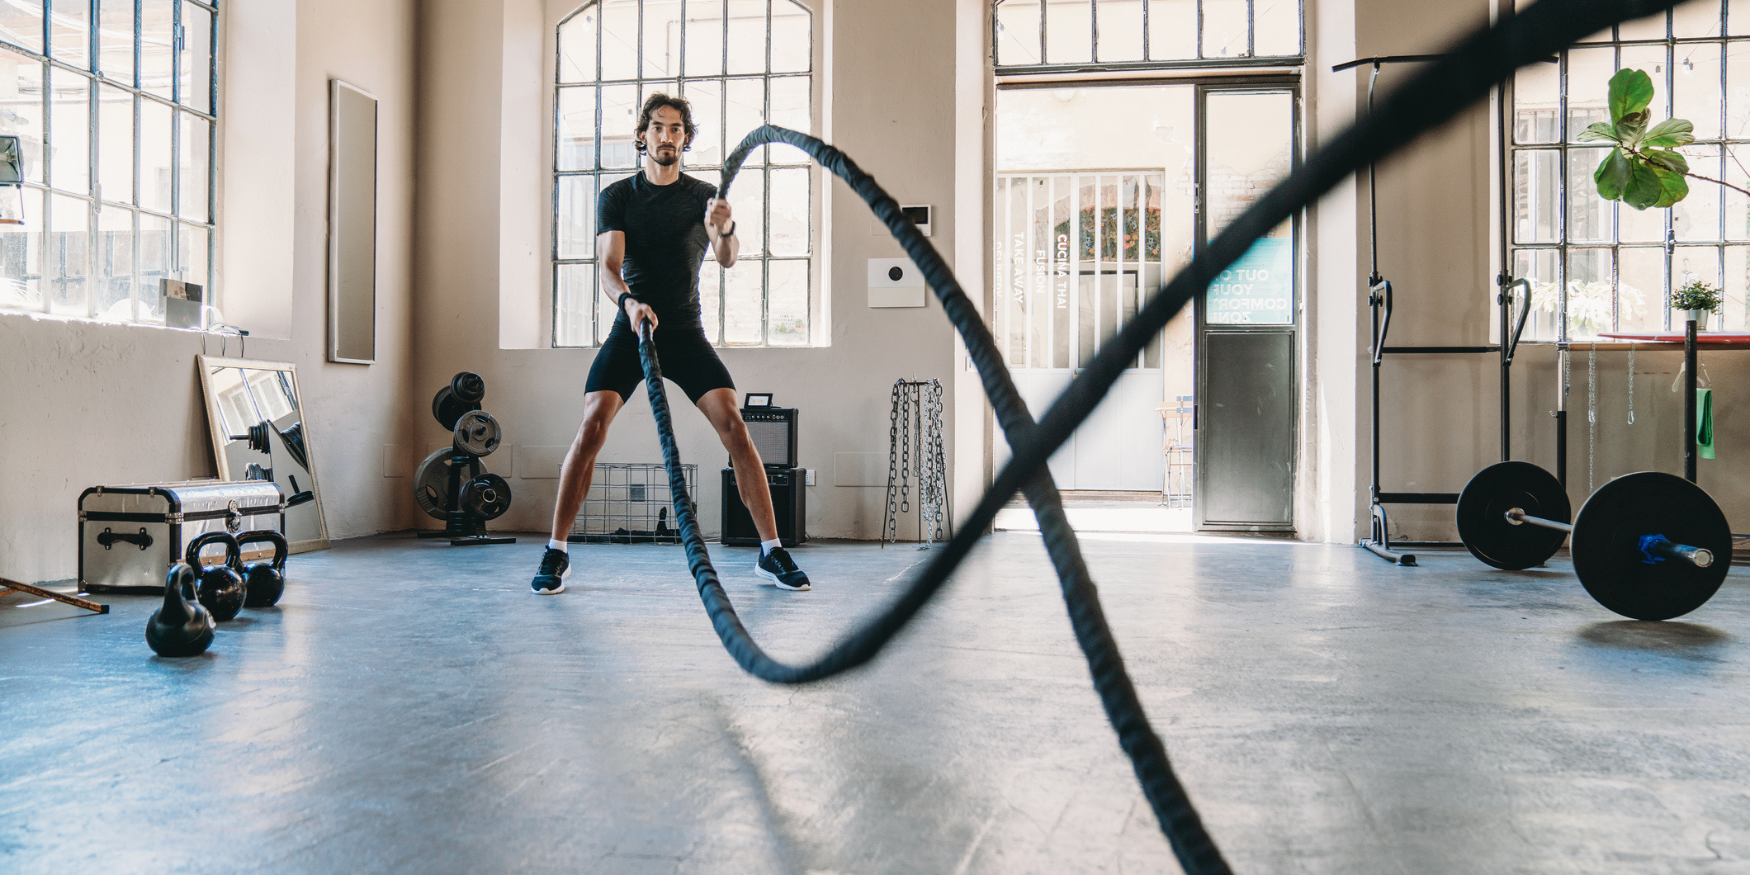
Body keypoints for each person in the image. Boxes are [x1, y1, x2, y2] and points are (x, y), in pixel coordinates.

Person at [532, 93, 811, 595]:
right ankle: (556, 551)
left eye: (676, 129)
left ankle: (771, 552)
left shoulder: (704, 196)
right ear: (643, 136)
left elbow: (726, 256)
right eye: (657, 127)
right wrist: (629, 305)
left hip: (684, 331)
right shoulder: (618, 196)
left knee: (735, 427)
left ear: (686, 138)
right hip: (632, 328)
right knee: (592, 425)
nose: (667, 136)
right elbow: (608, 269)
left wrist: (723, 227)